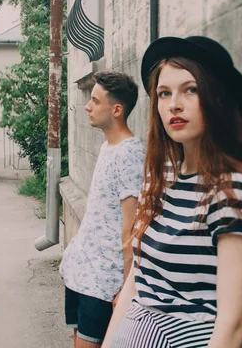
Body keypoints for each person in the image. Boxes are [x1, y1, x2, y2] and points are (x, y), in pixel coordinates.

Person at [102, 36, 242, 348]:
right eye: (164, 93)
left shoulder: (230, 190)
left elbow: (233, 324)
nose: (174, 104)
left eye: (191, 89)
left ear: (216, 98)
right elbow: (138, 280)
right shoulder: (160, 179)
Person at [59, 71, 146, 348]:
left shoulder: (129, 155)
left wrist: (126, 289)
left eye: (95, 101)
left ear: (117, 110)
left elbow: (131, 228)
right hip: (83, 273)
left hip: (104, 283)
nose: (87, 106)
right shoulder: (109, 146)